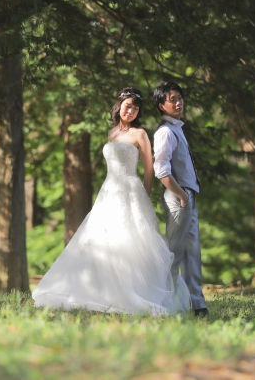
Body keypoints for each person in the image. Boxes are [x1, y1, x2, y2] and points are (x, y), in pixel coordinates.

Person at [32, 87, 189, 315]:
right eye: (128, 106)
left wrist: (143, 196)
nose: (131, 111)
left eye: (136, 108)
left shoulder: (140, 134)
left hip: (131, 191)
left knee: (132, 240)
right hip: (108, 192)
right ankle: (99, 291)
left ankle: (134, 291)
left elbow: (148, 170)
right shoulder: (112, 133)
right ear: (119, 106)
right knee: (102, 239)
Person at [153, 81, 208, 316]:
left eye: (179, 98)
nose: (178, 102)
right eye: (172, 99)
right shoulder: (165, 131)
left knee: (192, 252)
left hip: (188, 196)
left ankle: (198, 305)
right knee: (174, 254)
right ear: (161, 106)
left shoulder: (177, 129)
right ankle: (163, 303)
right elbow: (161, 170)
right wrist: (182, 195)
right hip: (179, 197)